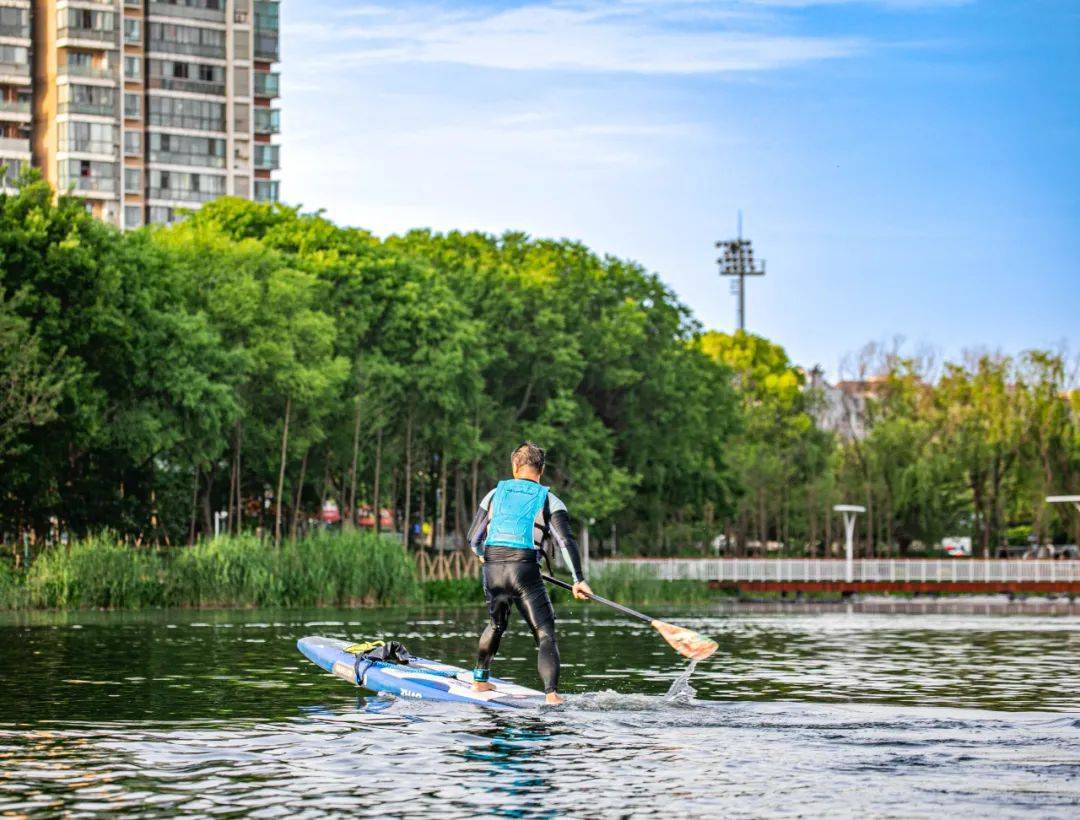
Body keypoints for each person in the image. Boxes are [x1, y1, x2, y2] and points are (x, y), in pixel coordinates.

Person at [466, 442, 592, 705]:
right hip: (524, 570)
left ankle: (480, 680)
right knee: (545, 633)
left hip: (493, 568)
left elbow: (473, 538)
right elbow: (565, 541)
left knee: (496, 624)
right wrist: (578, 580)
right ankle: (551, 695)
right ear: (541, 470)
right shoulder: (549, 499)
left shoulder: (493, 494)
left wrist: (481, 553)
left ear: (515, 467)